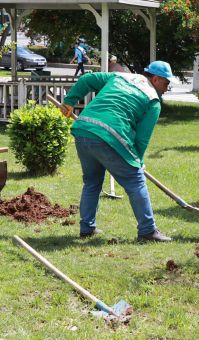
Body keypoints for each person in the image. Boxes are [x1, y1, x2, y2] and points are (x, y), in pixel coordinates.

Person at [60, 61, 175, 242]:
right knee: (135, 180)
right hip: (109, 134)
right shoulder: (153, 100)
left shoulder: (120, 77)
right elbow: (142, 139)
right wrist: (138, 162)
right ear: (155, 78)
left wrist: (69, 101)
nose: (167, 88)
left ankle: (87, 228)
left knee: (92, 181)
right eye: (166, 83)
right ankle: (147, 231)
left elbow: (88, 79)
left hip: (84, 128)